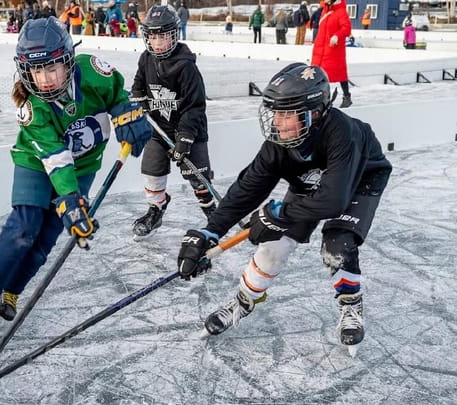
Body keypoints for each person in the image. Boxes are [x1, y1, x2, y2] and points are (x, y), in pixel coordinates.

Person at [176, 63, 392, 355]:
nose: (276, 122)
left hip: (358, 181)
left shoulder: (344, 134)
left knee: (337, 245)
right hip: (314, 183)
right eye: (275, 113)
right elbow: (248, 188)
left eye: (286, 114)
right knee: (272, 246)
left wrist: (280, 214)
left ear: (314, 114)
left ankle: (350, 303)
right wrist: (210, 230)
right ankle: (244, 299)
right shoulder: (280, 142)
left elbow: (333, 200)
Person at [0, 17, 152, 338]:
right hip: (37, 163)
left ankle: (12, 290)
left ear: (69, 60)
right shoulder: (34, 108)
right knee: (25, 228)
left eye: (52, 69)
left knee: (46, 238)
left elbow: (117, 95)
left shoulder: (93, 72)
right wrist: (70, 199)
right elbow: (55, 160)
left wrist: (128, 112)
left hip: (83, 166)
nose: (44, 80)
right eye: (36, 72)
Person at [129, 5, 215, 238]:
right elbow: (138, 87)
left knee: (198, 178)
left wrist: (185, 138)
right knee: (151, 171)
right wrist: (137, 101)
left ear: (174, 35)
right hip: (158, 131)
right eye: (153, 36)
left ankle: (213, 215)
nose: (158, 42)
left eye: (163, 36)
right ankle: (156, 208)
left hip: (189, 130)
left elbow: (195, 106)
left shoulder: (186, 66)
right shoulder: (145, 59)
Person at [311, 0, 352, 108]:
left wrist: (337, 35)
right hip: (320, 48)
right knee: (319, 74)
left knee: (339, 73)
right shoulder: (325, 10)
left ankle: (347, 96)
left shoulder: (341, 11)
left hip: (333, 49)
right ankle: (323, 99)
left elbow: (346, 28)